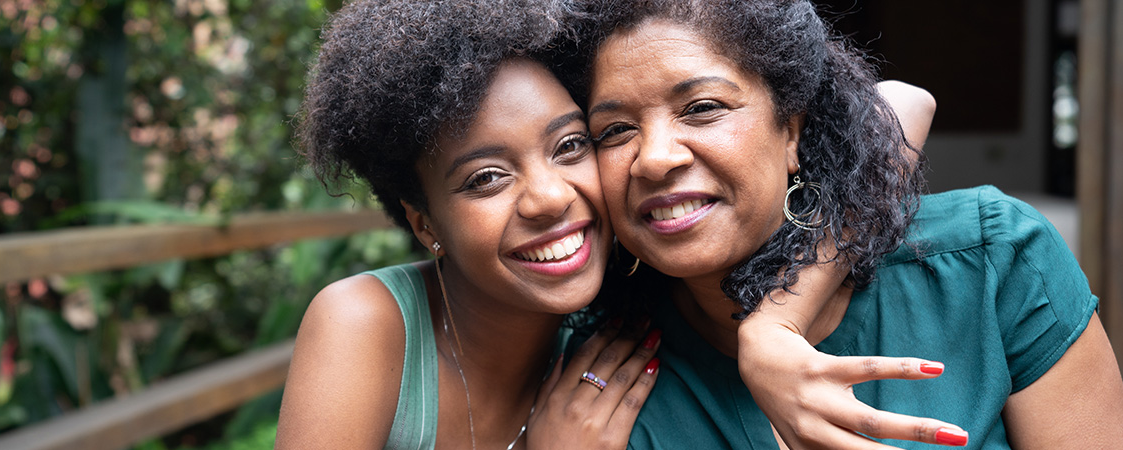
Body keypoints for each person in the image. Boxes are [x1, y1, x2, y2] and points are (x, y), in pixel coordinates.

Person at [278, 0, 960, 448]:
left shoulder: (627, 303)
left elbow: (902, 104)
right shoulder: (366, 323)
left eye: (571, 145)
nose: (548, 198)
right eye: (486, 178)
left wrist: (778, 320)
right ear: (422, 219)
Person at [578, 0, 1123, 448]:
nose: (653, 159)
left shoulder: (990, 261)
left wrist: (773, 325)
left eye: (701, 108)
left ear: (791, 132)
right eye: (615, 130)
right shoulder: (597, 383)